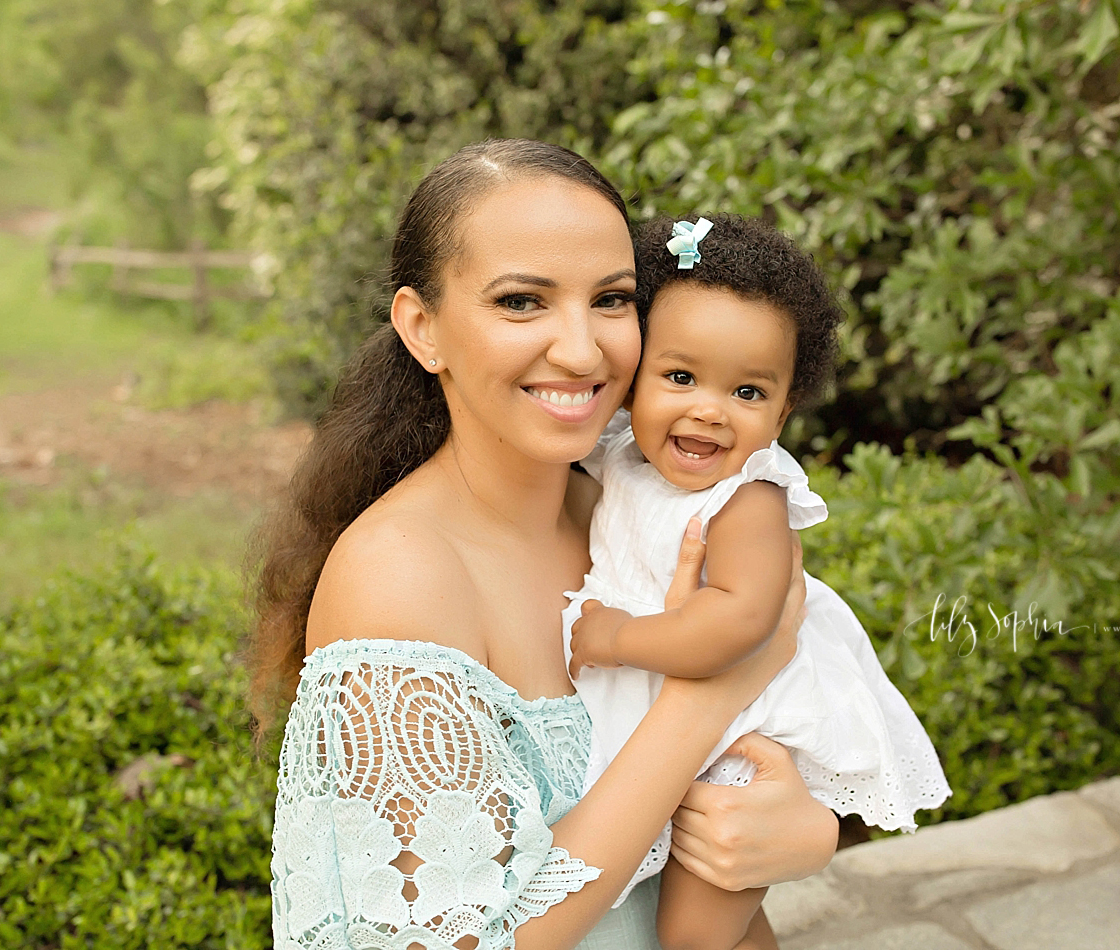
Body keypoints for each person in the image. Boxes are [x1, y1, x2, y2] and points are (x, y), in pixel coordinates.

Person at [247, 140, 839, 950]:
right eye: (522, 301)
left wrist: (797, 829)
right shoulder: (402, 579)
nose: (582, 348)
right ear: (424, 329)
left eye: (611, 299)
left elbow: (731, 792)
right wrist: (702, 700)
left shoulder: (632, 512)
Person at [564, 214, 952, 950]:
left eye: (747, 392)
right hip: (673, 707)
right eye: (679, 377)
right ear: (631, 381)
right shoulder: (619, 456)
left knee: (694, 931)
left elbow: (744, 622)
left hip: (744, 734)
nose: (709, 408)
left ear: (782, 411)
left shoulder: (748, 499)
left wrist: (616, 635)